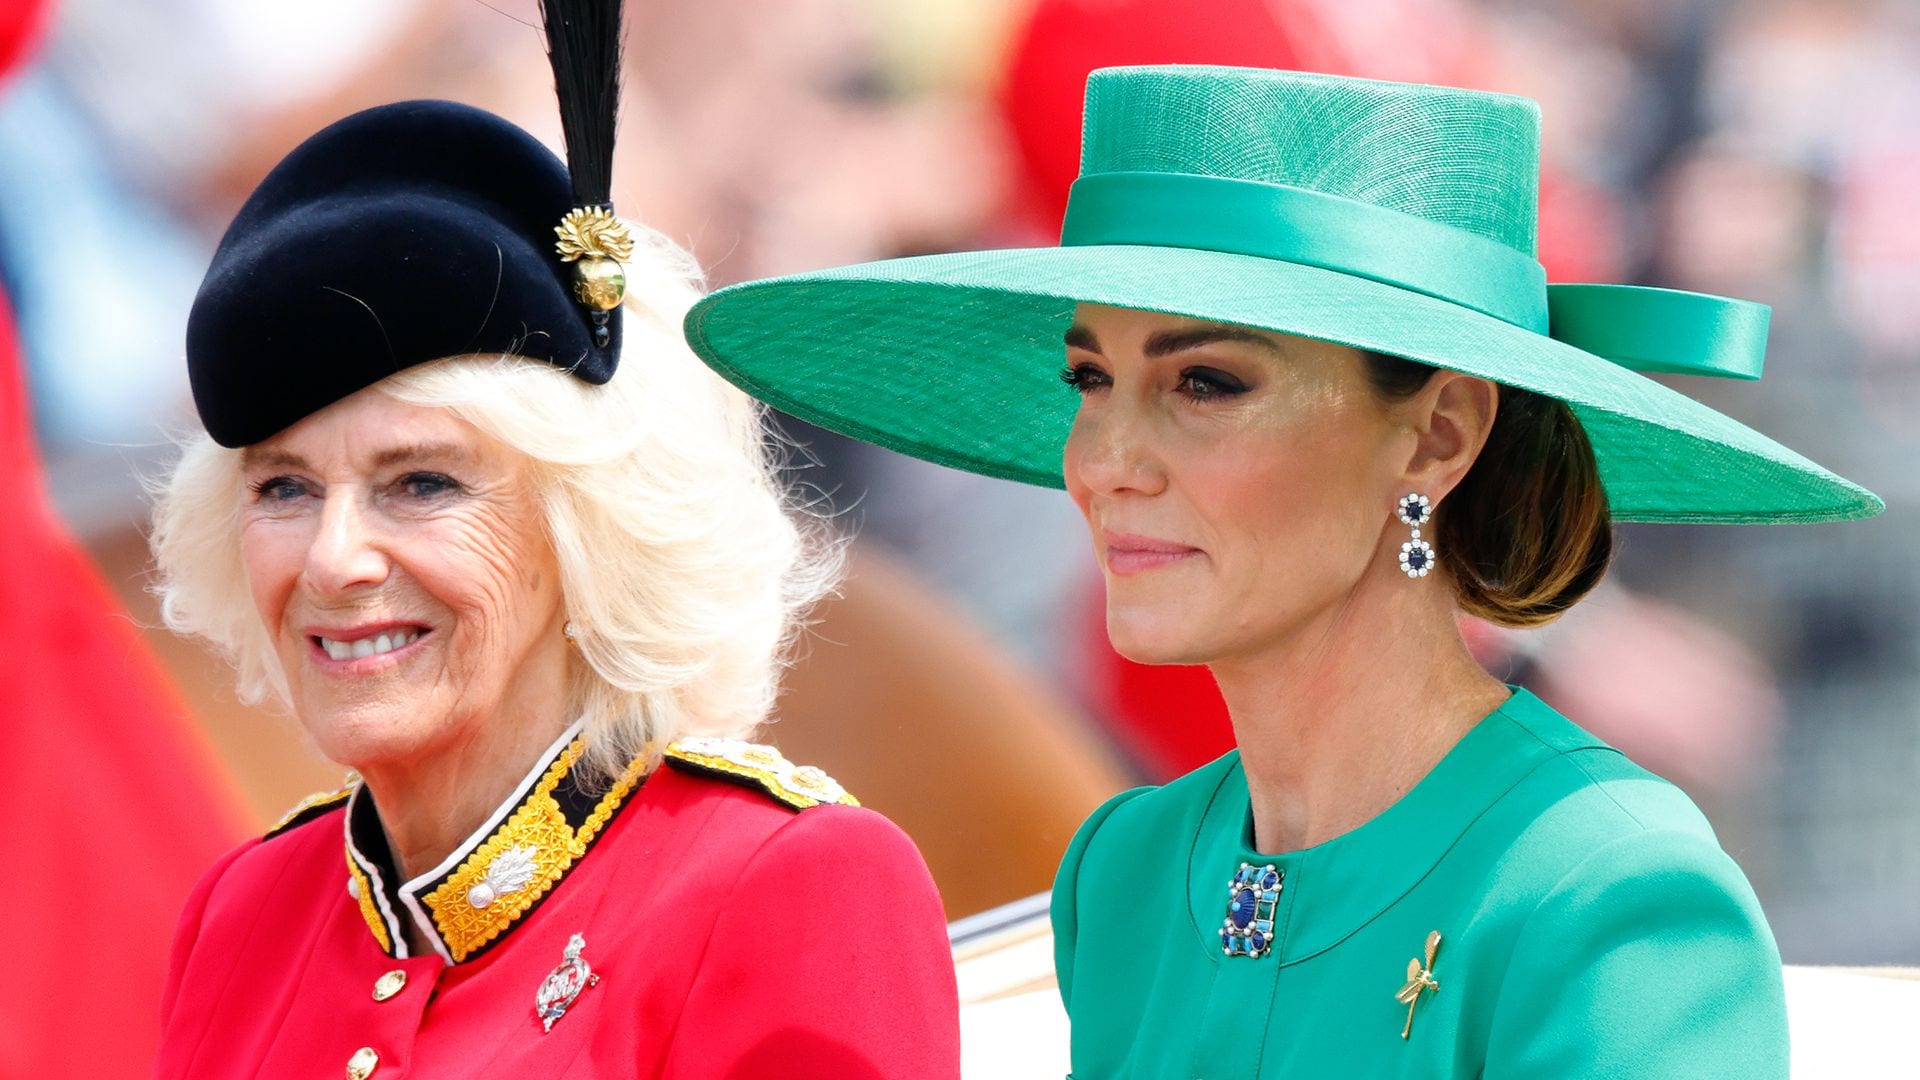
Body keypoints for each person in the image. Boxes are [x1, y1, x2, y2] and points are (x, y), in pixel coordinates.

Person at [682, 66, 1881, 1076]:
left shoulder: (1605, 894)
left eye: (1206, 383)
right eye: (1091, 379)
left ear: (1439, 434)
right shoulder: (1130, 869)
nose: (1105, 462)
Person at [147, 4, 958, 1077]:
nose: (334, 558)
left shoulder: (787, 882)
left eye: (422, 483)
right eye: (286, 489)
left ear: (589, 526)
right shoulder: (243, 913)